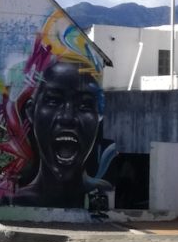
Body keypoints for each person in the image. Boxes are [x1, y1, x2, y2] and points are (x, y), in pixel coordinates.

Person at [11, 12, 112, 209]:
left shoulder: (103, 191)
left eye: (84, 105)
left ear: (99, 115)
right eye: (53, 101)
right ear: (31, 111)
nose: (67, 117)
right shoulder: (16, 200)